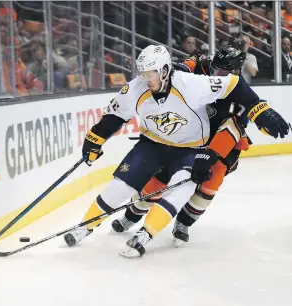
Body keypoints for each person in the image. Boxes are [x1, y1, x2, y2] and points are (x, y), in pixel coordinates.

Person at [63, 45, 288, 258]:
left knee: (190, 186)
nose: (144, 79)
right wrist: (95, 139)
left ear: (163, 71)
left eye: (149, 74)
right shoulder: (142, 86)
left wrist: (259, 110)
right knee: (122, 185)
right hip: (154, 144)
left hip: (196, 147)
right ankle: (88, 226)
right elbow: (115, 115)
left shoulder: (191, 85)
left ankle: (153, 231)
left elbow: (234, 92)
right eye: (142, 73)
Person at [110, 46, 258, 245]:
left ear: (235, 73)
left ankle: (184, 223)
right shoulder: (200, 66)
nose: (216, 75)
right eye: (215, 69)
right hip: (187, 137)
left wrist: (210, 156)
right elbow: (174, 71)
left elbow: (231, 129)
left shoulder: (239, 95)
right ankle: (132, 215)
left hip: (218, 145)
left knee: (209, 185)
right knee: (159, 177)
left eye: (222, 73)